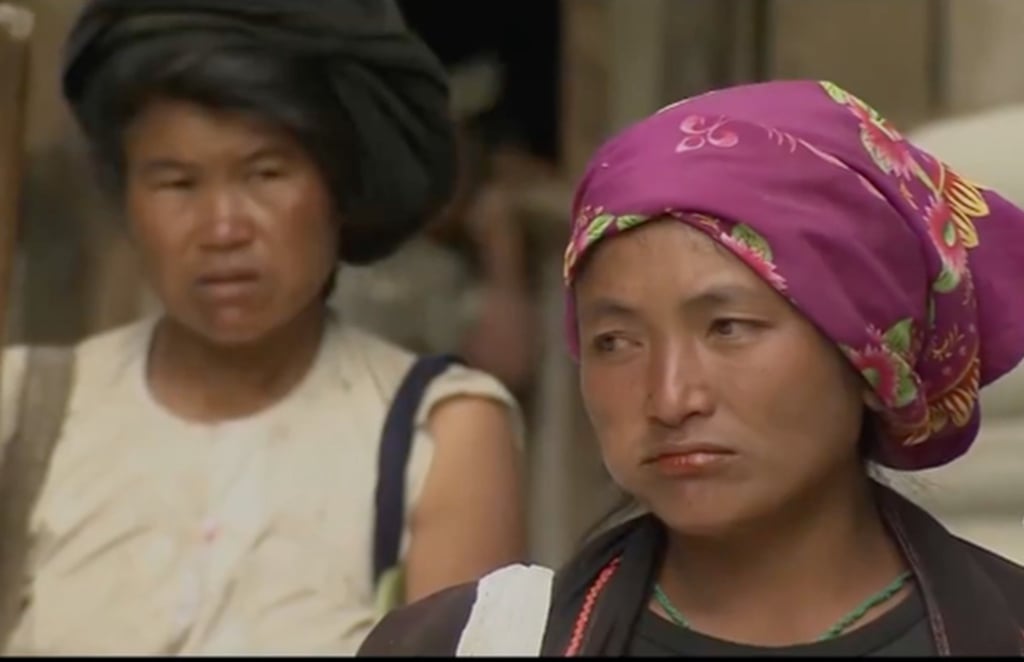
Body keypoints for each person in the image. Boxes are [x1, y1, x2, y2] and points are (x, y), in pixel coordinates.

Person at [356, 79, 1024, 656]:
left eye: (728, 328)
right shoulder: (467, 644)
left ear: (871, 353)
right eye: (616, 341)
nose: (670, 398)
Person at [0, 0, 526, 655]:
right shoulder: (25, 405)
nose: (223, 228)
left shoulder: (437, 434)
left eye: (265, 174)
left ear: (337, 187)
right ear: (126, 201)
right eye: (176, 183)